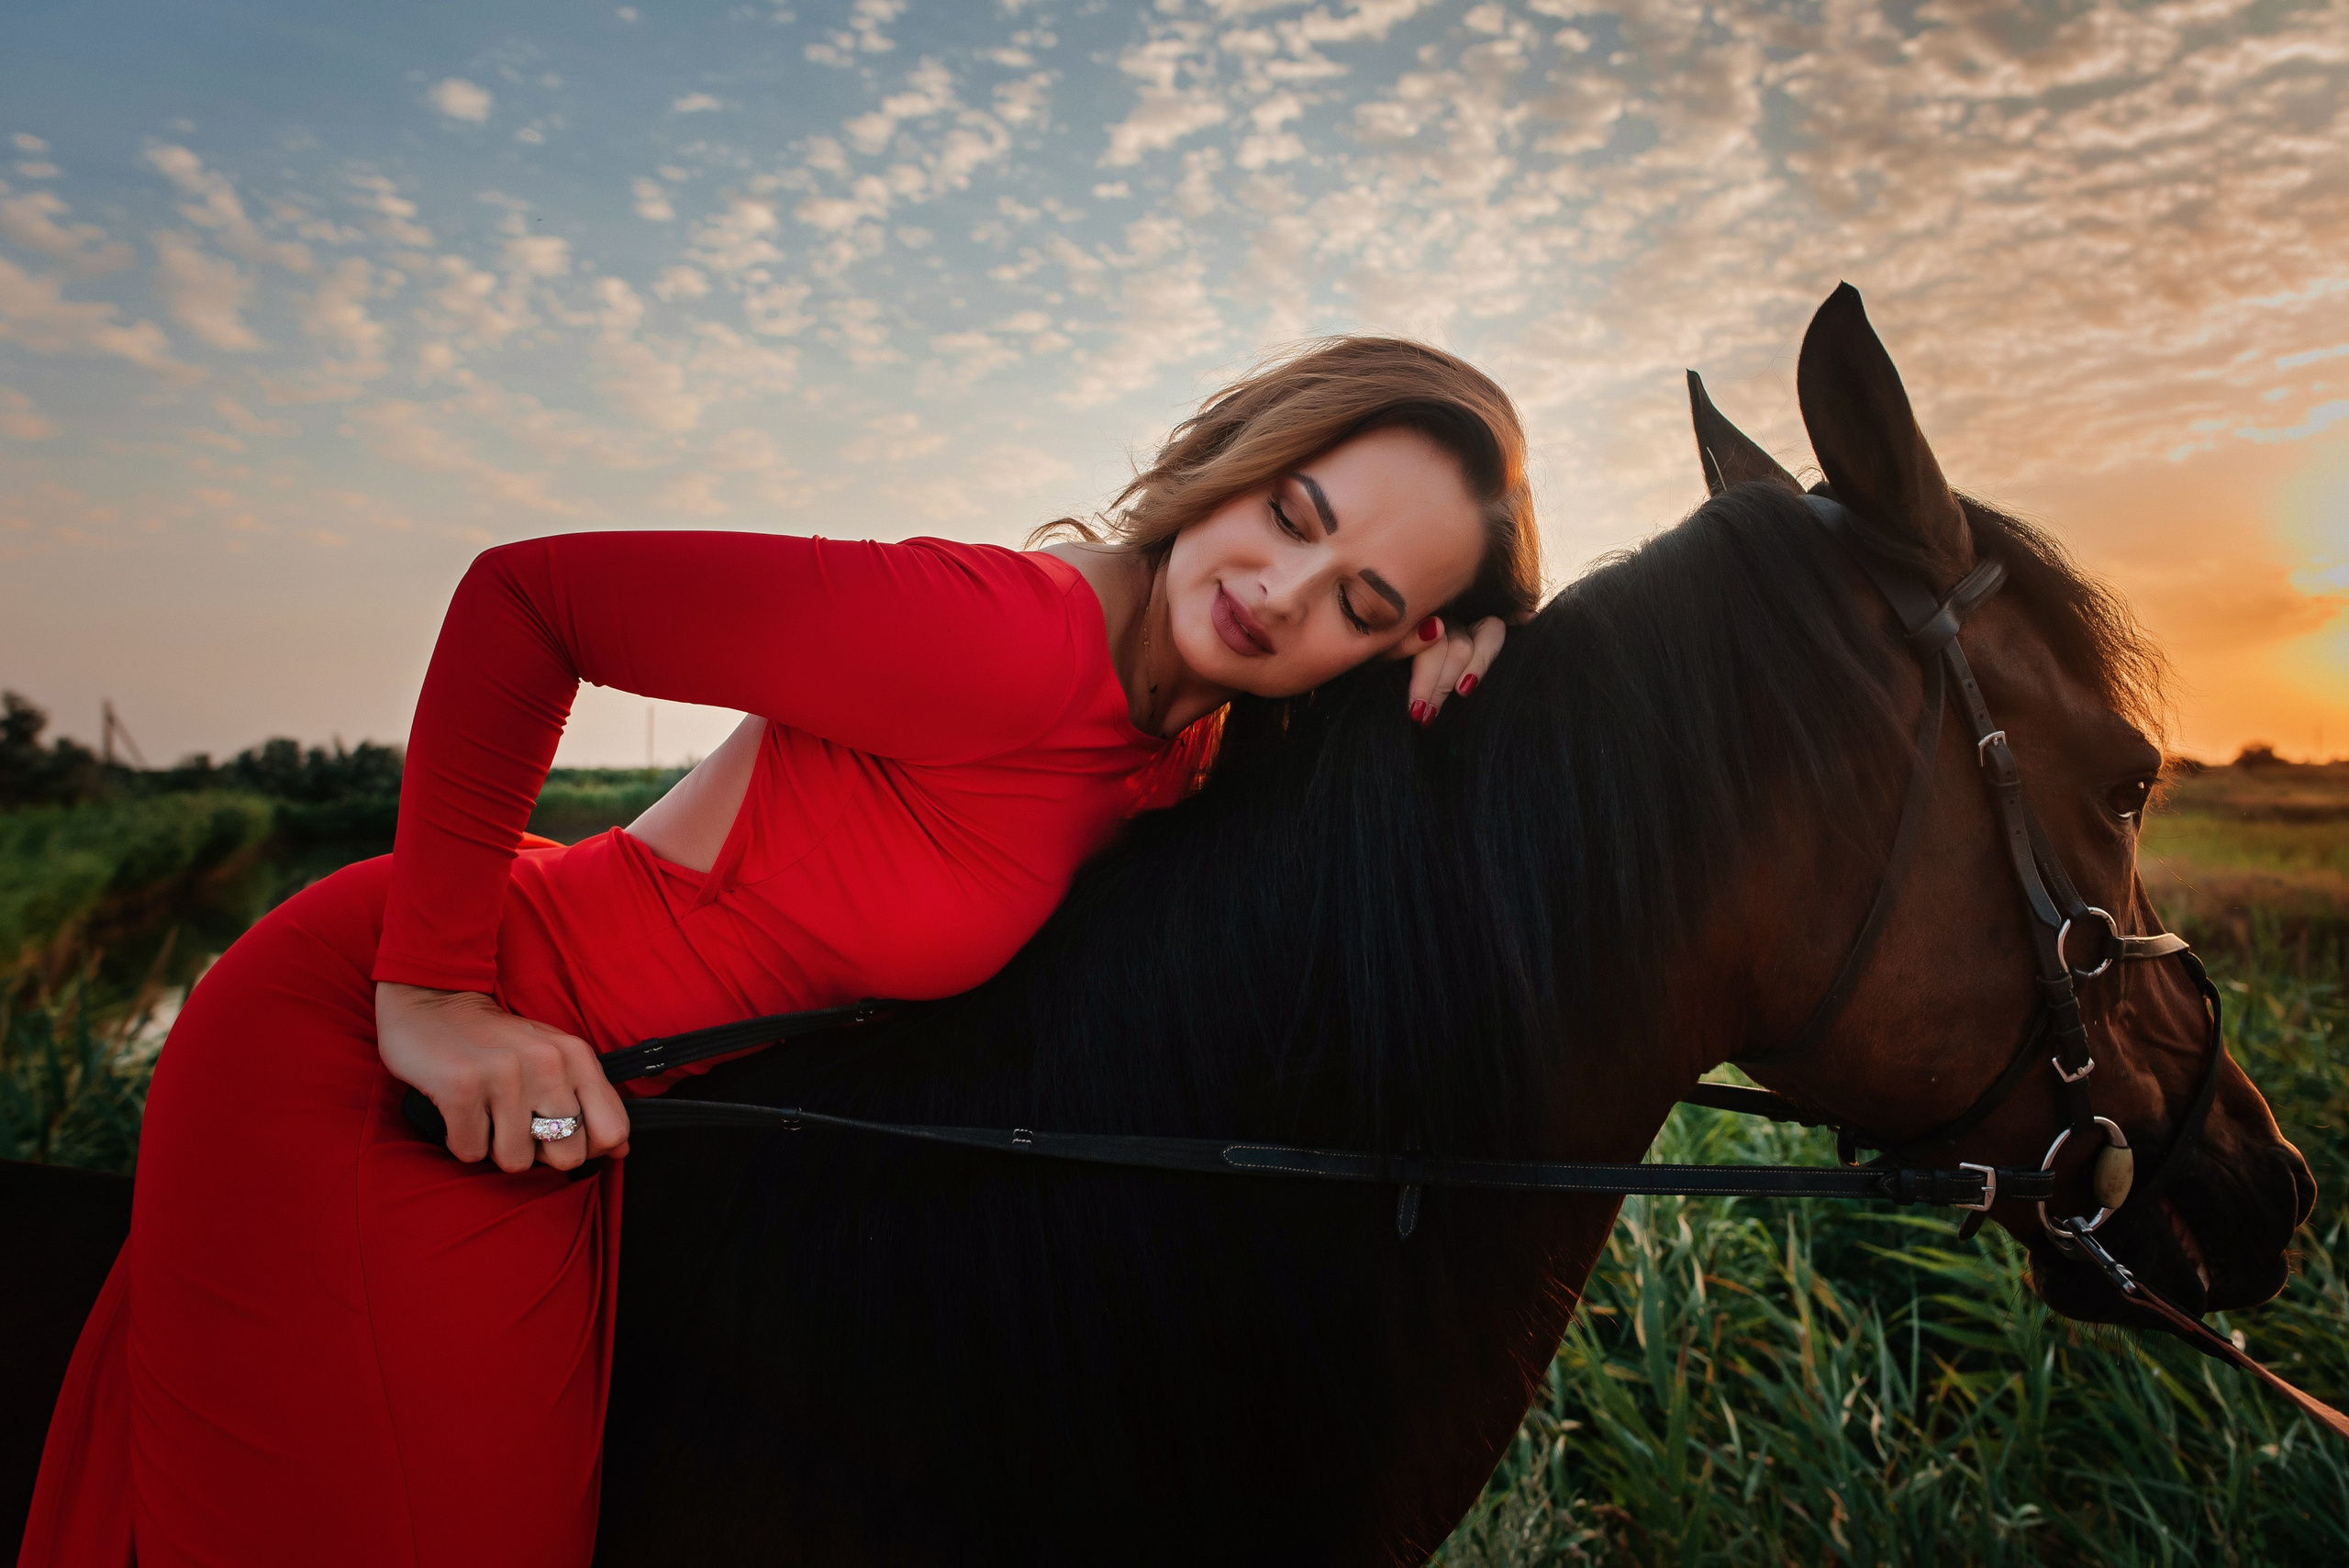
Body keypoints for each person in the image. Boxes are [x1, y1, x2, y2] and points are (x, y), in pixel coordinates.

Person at [21, 337, 1542, 1565]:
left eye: (1361, 600)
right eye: (1296, 513)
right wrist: (431, 996)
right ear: (1242, 459)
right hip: (394, 1056)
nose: (1281, 593)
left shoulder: (1184, 745)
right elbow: (527, 598)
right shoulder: (1003, 635)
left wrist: (1474, 660)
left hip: (592, 1111)